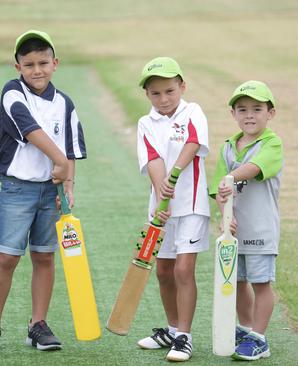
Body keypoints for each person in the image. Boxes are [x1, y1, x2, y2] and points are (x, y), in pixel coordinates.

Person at [0, 30, 85, 354]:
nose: (37, 70)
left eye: (43, 63)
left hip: (51, 192)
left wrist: (68, 182)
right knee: (7, 256)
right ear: (17, 66)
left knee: (44, 256)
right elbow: (31, 130)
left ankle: (38, 325)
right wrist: (60, 160)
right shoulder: (12, 93)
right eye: (29, 64)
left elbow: (71, 149)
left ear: (55, 63)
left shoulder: (65, 103)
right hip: (17, 188)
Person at [134, 57, 210, 362]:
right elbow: (152, 159)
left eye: (169, 91)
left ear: (182, 87)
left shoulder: (193, 111)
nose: (163, 99)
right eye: (156, 93)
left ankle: (185, 337)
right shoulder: (145, 123)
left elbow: (193, 144)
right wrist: (160, 192)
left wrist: (173, 176)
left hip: (191, 206)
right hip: (161, 210)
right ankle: (172, 328)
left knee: (182, 269)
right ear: (147, 94)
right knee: (163, 271)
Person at [210, 80, 282, 361]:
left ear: (270, 113)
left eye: (257, 108)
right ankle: (246, 328)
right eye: (242, 109)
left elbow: (254, 168)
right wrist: (225, 215)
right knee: (237, 281)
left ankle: (260, 338)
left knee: (261, 281)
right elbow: (219, 188)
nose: (249, 115)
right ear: (233, 114)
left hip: (261, 228)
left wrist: (232, 178)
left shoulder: (271, 143)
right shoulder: (228, 146)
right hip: (235, 229)